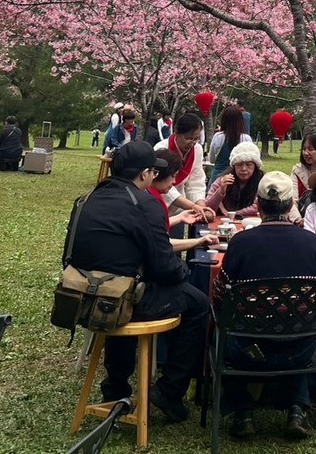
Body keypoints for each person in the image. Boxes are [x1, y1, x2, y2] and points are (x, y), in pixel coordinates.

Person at [67, 140, 209, 423]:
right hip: (120, 300)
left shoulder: (86, 199)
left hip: (81, 299)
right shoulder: (145, 204)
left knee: (125, 291)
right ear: (145, 174)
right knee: (198, 304)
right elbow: (165, 267)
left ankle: (115, 389)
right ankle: (169, 390)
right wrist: (184, 275)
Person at [213, 171, 316, 440]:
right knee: (298, 324)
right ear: (290, 206)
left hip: (247, 348)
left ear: (259, 205)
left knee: (227, 326)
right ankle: (297, 410)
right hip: (299, 348)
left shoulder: (240, 243)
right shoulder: (311, 242)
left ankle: (243, 412)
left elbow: (220, 295)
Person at [149, 148, 222, 254]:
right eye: (173, 176)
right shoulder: (150, 202)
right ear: (159, 174)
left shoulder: (153, 194)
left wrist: (180, 217)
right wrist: (199, 241)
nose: (174, 182)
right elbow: (161, 244)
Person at [153, 112, 213, 225]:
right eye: (189, 138)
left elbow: (196, 182)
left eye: (196, 139)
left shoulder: (197, 149)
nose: (192, 143)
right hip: (159, 203)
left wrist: (201, 206)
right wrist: (192, 206)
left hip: (179, 209)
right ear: (177, 132)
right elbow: (161, 184)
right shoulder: (161, 149)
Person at [206, 142, 265, 219]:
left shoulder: (263, 183)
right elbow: (207, 207)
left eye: (249, 164)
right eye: (239, 164)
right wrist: (221, 191)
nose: (243, 169)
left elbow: (258, 207)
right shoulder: (222, 180)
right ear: (234, 166)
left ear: (255, 166)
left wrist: (231, 214)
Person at [207, 105, 250, 188]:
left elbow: (212, 160)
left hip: (217, 178)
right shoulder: (246, 138)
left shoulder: (218, 137)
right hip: (237, 179)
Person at [290, 130, 316, 202]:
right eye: (304, 149)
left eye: (310, 149)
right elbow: (293, 201)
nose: (305, 153)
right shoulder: (297, 171)